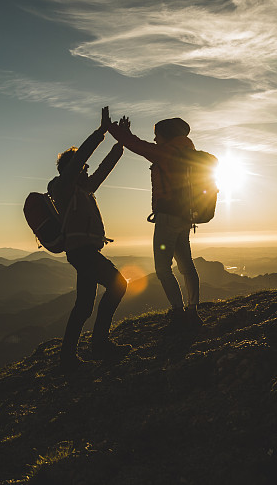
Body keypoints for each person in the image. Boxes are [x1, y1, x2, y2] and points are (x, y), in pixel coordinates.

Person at [48, 107, 131, 372]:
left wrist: (121, 143)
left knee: (83, 307)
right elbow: (81, 157)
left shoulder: (83, 189)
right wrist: (101, 132)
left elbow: (103, 170)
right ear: (71, 169)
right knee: (118, 285)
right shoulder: (63, 188)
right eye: (82, 167)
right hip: (82, 252)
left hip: (84, 251)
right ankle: (99, 344)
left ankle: (68, 357)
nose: (86, 170)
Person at [108, 116, 202, 328]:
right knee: (186, 264)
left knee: (163, 268)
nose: (155, 139)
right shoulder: (189, 154)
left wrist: (112, 128)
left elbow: (136, 146)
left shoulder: (167, 153)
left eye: (157, 135)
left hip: (168, 217)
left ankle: (178, 312)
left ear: (166, 136)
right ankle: (193, 310)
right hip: (186, 217)